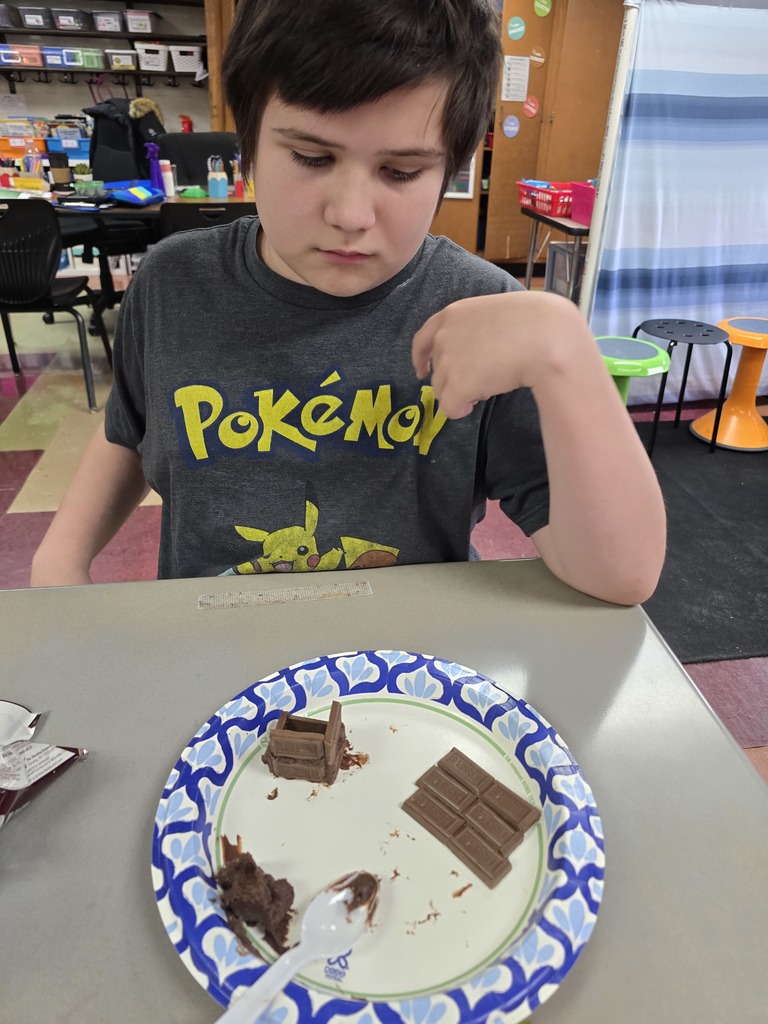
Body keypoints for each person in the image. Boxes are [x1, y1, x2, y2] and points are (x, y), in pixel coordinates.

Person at [31, 0, 665, 605]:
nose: (351, 215)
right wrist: (62, 556)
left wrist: (568, 356)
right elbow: (130, 432)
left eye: (401, 172)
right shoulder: (174, 282)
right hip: (212, 660)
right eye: (311, 156)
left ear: (449, 171)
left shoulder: (479, 310)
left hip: (405, 677)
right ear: (248, 143)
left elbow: (622, 576)